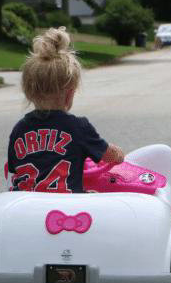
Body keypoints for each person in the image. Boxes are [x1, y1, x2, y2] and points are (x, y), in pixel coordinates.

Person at [7, 27, 124, 193]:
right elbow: (112, 157)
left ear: (29, 92)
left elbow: (13, 168)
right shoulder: (78, 127)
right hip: (66, 207)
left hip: (28, 207)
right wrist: (118, 153)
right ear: (70, 94)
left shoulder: (20, 129)